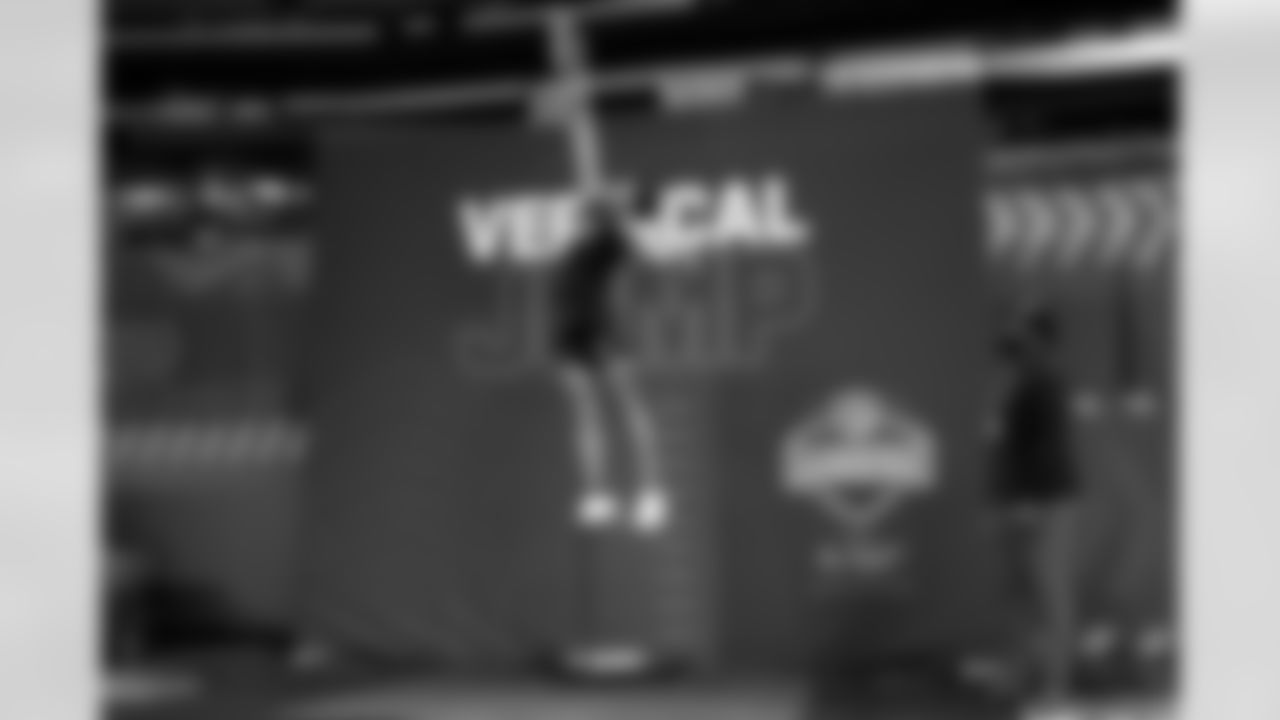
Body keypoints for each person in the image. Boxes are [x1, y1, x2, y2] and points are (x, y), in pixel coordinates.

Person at [552, 189, 669, 534]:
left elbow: (637, 233)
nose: (580, 219)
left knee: (630, 405)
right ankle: (597, 494)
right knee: (585, 412)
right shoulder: (576, 250)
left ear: (598, 219)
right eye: (580, 215)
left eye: (587, 215)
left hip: (606, 331)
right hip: (570, 334)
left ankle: (652, 492)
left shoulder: (612, 242)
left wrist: (627, 207)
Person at [991, 304, 1080, 710]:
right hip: (1027, 501)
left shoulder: (1044, 379)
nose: (1017, 341)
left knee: (1047, 593)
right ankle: (1020, 676)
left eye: (1024, 334)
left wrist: (1029, 502)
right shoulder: (1027, 378)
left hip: (1044, 503)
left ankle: (1054, 686)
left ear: (1041, 339)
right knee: (1020, 593)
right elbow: (1015, 444)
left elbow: (1047, 449)